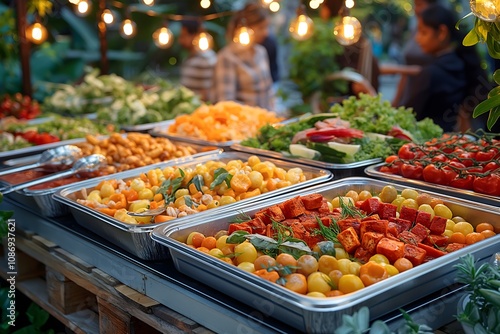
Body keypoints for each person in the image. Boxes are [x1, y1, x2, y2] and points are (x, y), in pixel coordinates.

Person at [399, 4, 487, 132]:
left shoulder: (431, 74)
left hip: (429, 144)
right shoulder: (459, 64)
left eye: (423, 32)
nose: (417, 38)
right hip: (448, 139)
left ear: (442, 32)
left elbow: (405, 117)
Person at [213, 4, 274, 110]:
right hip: (247, 124)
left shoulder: (261, 51)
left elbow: (268, 91)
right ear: (245, 29)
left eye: (266, 27)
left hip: (269, 120)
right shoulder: (227, 57)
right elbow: (226, 103)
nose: (266, 33)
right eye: (261, 28)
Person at [319, 0, 380, 93]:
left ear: (329, 8)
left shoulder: (340, 32)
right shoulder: (339, 31)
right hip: (347, 88)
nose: (321, 11)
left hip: (355, 89)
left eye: (323, 7)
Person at [178, 20, 217, 102]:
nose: (180, 40)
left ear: (195, 35)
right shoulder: (189, 57)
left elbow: (206, 93)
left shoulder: (206, 58)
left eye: (183, 36)